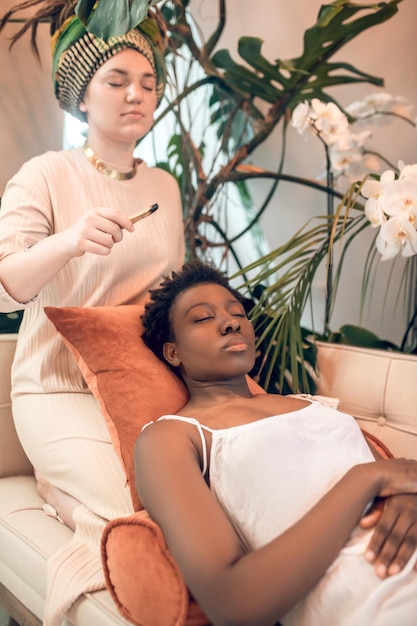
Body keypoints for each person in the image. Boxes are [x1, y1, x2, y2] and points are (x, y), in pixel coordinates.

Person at [0, 1, 184, 624]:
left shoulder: (164, 188)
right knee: (144, 509)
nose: (136, 94)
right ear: (82, 94)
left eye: (148, 82)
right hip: (55, 389)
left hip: (141, 385)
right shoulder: (45, 174)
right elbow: (7, 286)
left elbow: (171, 291)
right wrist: (70, 239)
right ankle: (64, 500)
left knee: (201, 503)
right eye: (117, 80)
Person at [137, 260, 417, 626]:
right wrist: (366, 480)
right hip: (384, 601)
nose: (231, 321)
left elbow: (397, 476)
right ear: (173, 352)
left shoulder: (311, 404)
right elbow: (232, 602)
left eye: (237, 312)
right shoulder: (172, 436)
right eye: (203, 318)